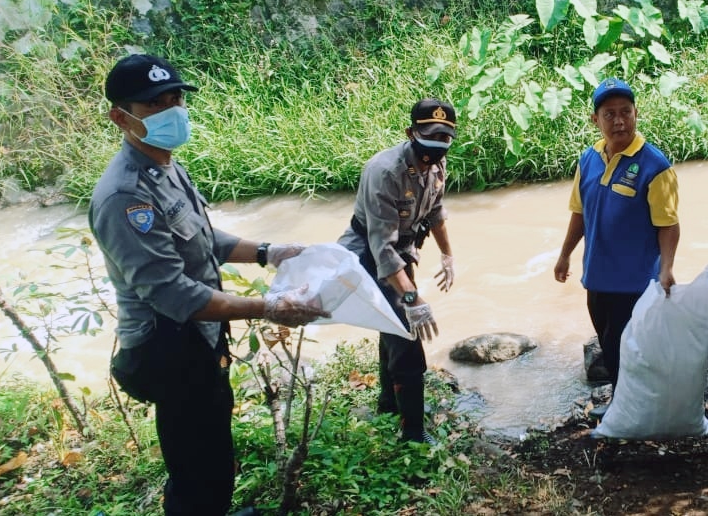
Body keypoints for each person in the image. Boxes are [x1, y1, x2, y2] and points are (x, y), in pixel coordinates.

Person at [89, 54, 329, 516]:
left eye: (176, 98)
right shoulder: (126, 196)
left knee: (214, 448)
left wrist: (269, 251)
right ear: (121, 117)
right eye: (156, 105)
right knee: (194, 464)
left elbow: (201, 237)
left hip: (198, 337)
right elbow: (174, 294)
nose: (173, 110)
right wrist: (270, 306)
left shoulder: (167, 167)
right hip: (167, 345)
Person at [554, 77, 680, 417]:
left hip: (636, 280)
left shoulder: (655, 166)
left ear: (637, 114)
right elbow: (579, 212)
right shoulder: (589, 159)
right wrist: (565, 254)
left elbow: (668, 224)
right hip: (597, 275)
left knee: (621, 345)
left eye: (626, 112)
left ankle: (632, 411)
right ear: (596, 120)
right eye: (609, 114)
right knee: (608, 345)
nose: (619, 120)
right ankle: (625, 405)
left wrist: (667, 268)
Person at [338, 98, 457, 444]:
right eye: (431, 135)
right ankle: (413, 435)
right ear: (411, 133)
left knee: (392, 327)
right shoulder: (384, 172)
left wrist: (448, 254)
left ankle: (389, 403)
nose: (438, 143)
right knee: (406, 337)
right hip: (369, 253)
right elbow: (382, 249)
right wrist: (412, 297)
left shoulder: (437, 164)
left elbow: (435, 211)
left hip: (404, 249)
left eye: (446, 136)